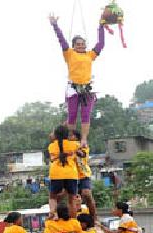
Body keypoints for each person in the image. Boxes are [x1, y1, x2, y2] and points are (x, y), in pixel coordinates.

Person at [49, 13, 105, 147]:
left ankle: (84, 139)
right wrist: (55, 25)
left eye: (83, 44)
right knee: (72, 114)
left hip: (87, 88)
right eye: (78, 44)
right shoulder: (69, 53)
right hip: (73, 88)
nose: (81, 46)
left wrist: (101, 26)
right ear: (73, 45)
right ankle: (70, 136)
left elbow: (101, 44)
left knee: (86, 115)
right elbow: (61, 40)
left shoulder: (90, 55)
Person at [48, 125, 80, 218]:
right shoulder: (74, 144)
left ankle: (52, 214)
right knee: (72, 200)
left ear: (56, 135)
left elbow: (52, 158)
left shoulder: (51, 146)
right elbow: (80, 151)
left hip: (56, 174)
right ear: (67, 134)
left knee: (52, 197)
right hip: (71, 174)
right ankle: (73, 220)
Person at [70, 130, 96, 218]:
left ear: (76, 137)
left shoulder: (82, 145)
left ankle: (94, 217)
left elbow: (83, 154)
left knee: (87, 194)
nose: (69, 137)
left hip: (83, 174)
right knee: (73, 199)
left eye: (71, 135)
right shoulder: (66, 146)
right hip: (71, 176)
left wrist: (78, 152)